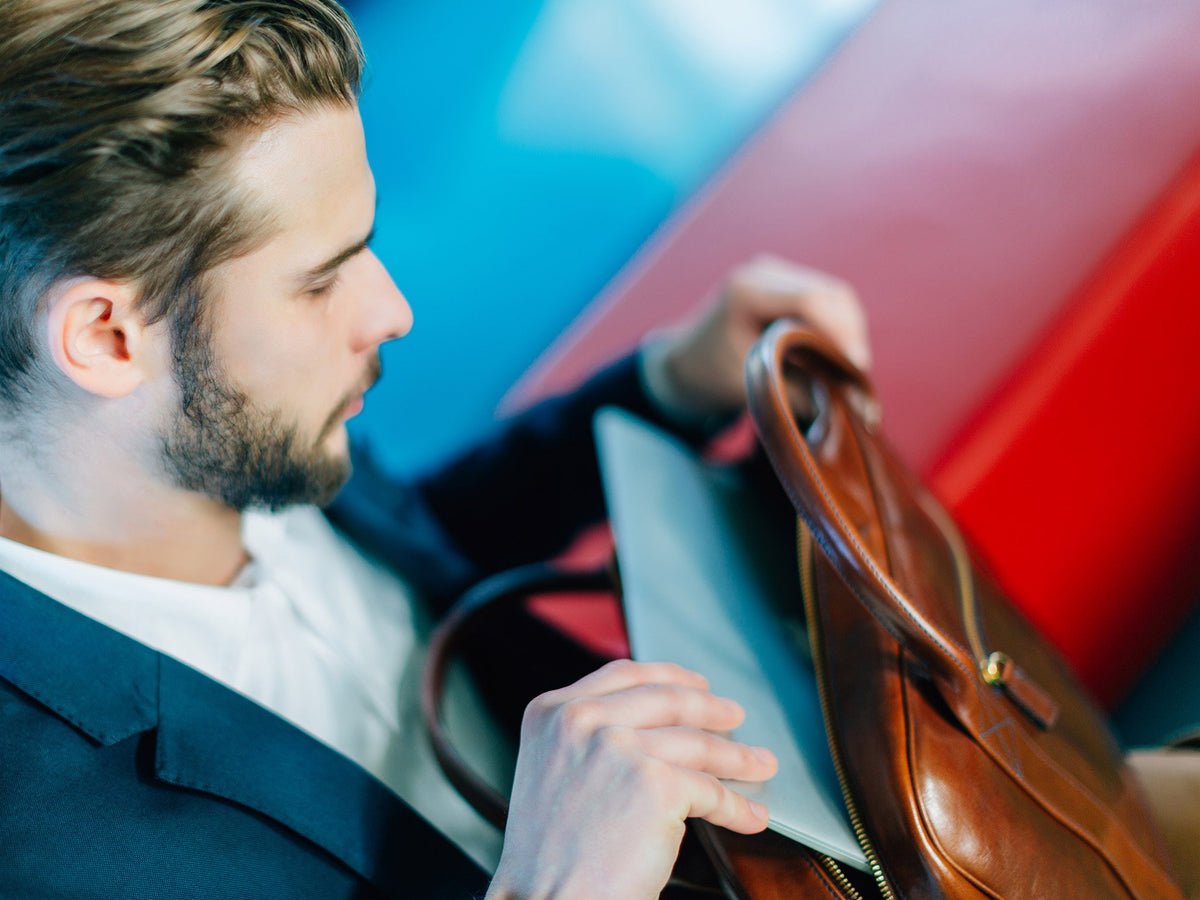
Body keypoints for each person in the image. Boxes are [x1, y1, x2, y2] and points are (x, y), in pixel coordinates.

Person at [0, 2, 870, 898]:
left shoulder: (227, 427)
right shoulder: (43, 846)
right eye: (320, 281)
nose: (391, 311)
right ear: (107, 338)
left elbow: (412, 544)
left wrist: (669, 386)